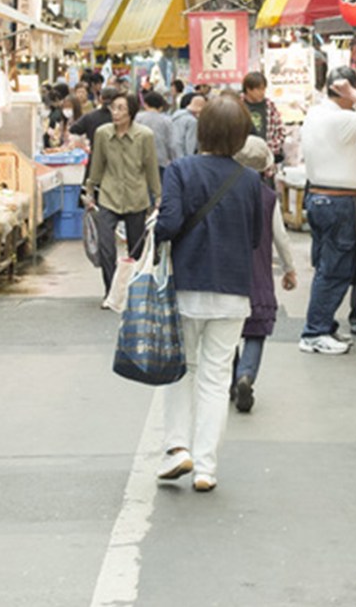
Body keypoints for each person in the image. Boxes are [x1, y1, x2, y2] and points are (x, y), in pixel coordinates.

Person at [152, 99, 264, 492]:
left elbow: (167, 224)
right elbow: (254, 238)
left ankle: (177, 447)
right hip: (232, 290)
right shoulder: (251, 180)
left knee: (182, 370)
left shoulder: (181, 170)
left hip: (187, 285)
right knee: (217, 380)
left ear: (202, 130)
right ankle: (206, 468)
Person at [297, 66, 356, 354]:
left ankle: (323, 326)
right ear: (345, 91)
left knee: (328, 267)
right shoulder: (340, 118)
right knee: (334, 269)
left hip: (321, 197)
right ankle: (314, 332)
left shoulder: (316, 114)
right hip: (337, 201)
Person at [228, 135, 298, 414]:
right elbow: (280, 237)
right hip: (258, 276)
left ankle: (232, 380)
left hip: (226, 274)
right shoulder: (267, 197)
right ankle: (246, 375)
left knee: (226, 331)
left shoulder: (224, 190)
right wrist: (289, 269)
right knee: (256, 333)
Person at [84, 91, 161, 299]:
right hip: (108, 196)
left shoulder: (144, 135)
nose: (115, 113)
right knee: (106, 247)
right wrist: (89, 190)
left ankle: (132, 292)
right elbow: (97, 164)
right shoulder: (102, 133)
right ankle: (110, 292)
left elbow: (151, 167)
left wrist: (158, 195)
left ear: (131, 113)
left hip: (136, 197)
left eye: (121, 109)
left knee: (136, 250)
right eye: (113, 108)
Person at [136, 90, 176, 168]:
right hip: (160, 160)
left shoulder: (137, 118)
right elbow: (171, 143)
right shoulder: (166, 121)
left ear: (145, 104)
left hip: (140, 159)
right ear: (161, 106)